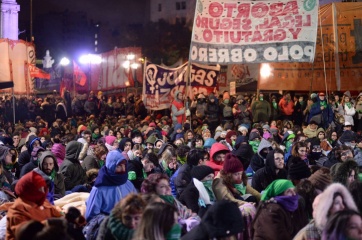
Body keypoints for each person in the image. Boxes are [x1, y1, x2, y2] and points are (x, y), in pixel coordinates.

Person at [6, 171, 62, 240]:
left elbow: (58, 215)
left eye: (43, 188)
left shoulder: (42, 202)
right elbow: (27, 235)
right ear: (29, 191)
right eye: (39, 189)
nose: (43, 192)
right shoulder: (17, 211)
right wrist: (49, 223)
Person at [85, 150, 137, 222]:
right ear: (111, 167)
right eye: (119, 166)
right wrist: (111, 221)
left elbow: (136, 204)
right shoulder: (99, 189)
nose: (123, 169)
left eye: (124, 165)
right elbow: (91, 216)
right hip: (108, 228)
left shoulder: (127, 184)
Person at [294, 183, 358, 240]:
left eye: (343, 203)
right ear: (327, 207)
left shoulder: (348, 227)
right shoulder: (309, 233)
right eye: (337, 203)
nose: (342, 207)